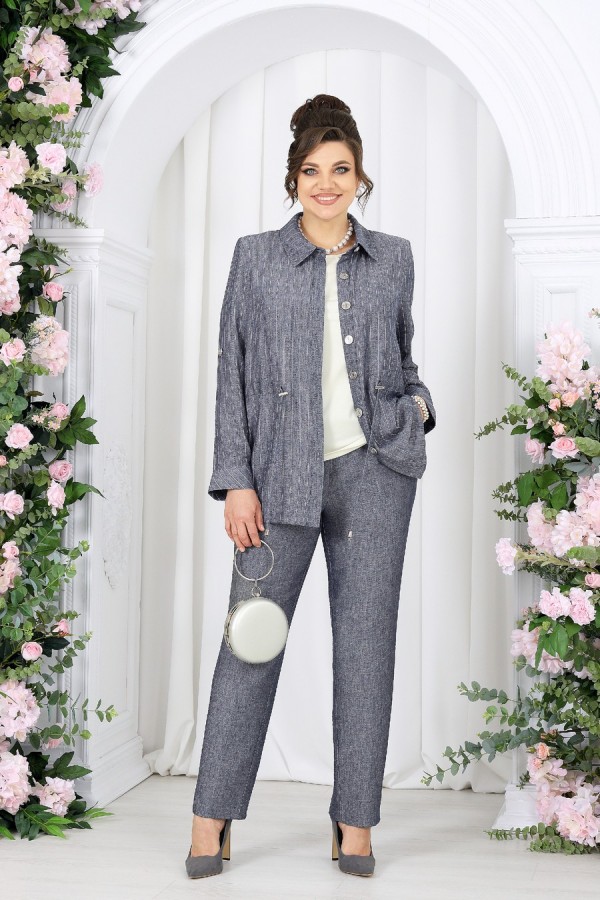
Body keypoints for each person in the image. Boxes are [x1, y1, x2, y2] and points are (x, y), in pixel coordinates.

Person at [186, 94, 436, 879]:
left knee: (365, 650)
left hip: (376, 474)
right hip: (276, 479)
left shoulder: (394, 257)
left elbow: (403, 359)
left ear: (361, 178)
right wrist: (235, 481)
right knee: (251, 641)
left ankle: (355, 820)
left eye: (341, 169)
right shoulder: (255, 257)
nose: (327, 184)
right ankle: (211, 814)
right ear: (293, 179)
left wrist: (418, 410)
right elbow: (230, 374)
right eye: (312, 171)